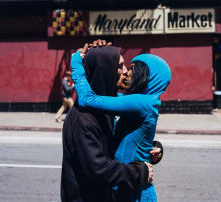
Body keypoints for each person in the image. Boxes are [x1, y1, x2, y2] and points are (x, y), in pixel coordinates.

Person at [71, 43, 171, 201]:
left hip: (137, 192)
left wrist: (76, 62)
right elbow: (106, 93)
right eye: (122, 67)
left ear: (143, 74)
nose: (126, 72)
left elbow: (88, 99)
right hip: (127, 185)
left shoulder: (142, 102)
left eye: (131, 68)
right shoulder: (140, 101)